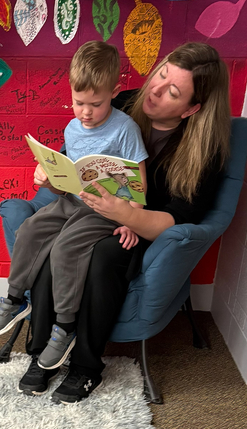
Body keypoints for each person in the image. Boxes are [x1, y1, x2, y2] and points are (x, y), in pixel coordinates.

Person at [16, 42, 232, 404]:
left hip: (144, 230)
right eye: (160, 76)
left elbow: (181, 218)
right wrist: (53, 172)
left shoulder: (205, 152)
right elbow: (79, 157)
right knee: (53, 239)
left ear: (192, 108)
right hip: (93, 210)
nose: (156, 90)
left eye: (173, 92)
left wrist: (128, 216)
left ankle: (87, 366)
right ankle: (43, 353)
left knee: (102, 253)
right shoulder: (119, 102)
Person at [0, 41, 148, 372]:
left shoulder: (125, 129)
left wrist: (133, 219)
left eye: (96, 104)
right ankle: (15, 299)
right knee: (30, 227)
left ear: (115, 92)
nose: (86, 112)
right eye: (78, 103)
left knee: (64, 247)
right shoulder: (73, 127)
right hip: (72, 200)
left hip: (104, 210)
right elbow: (70, 179)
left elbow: (139, 184)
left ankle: (64, 327)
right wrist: (49, 178)